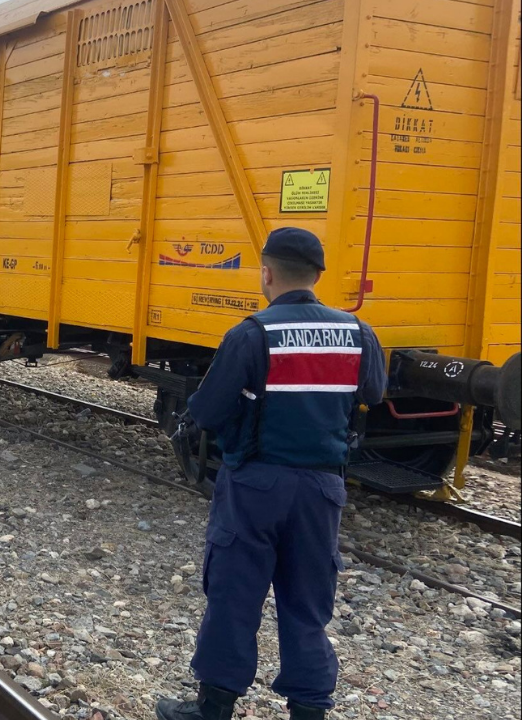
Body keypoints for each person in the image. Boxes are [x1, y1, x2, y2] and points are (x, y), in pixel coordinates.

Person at [156, 227, 386, 720]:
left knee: (234, 595)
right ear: (318, 276)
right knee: (307, 603)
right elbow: (373, 393)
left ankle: (214, 708)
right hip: (323, 489)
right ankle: (309, 709)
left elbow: (210, 410)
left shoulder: (252, 333)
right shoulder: (358, 332)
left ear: (267, 272)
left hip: (256, 485)